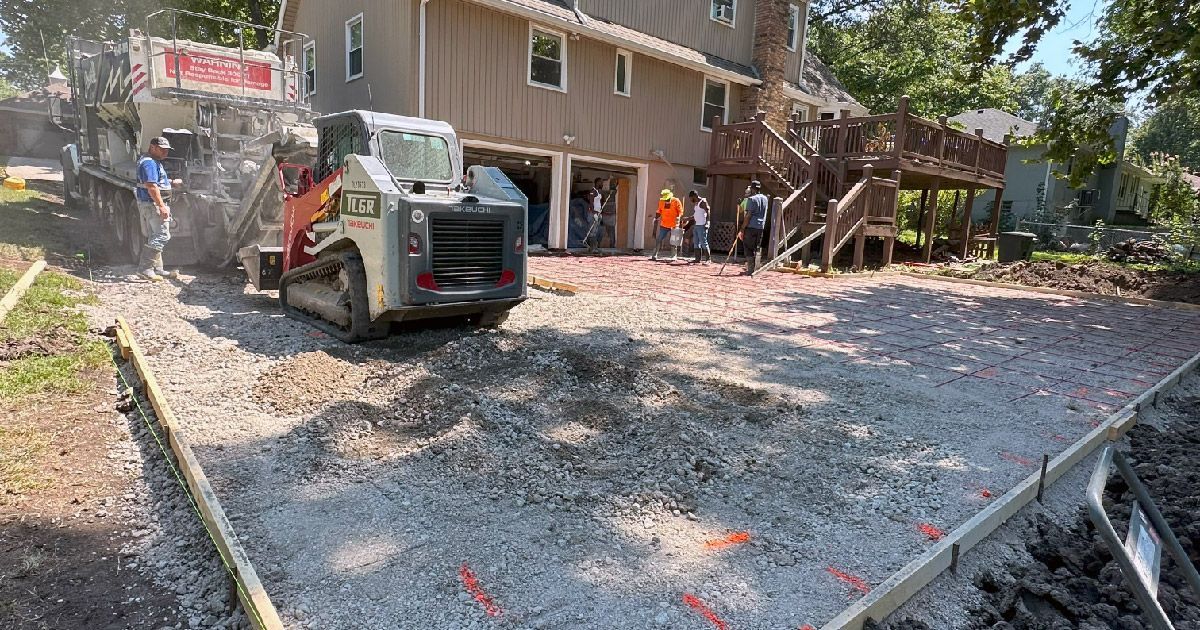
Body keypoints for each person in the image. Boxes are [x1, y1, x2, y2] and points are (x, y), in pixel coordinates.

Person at [134, 137, 181, 281]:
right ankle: (145, 269)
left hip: (149, 204)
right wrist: (161, 206)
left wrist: (171, 183)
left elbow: (156, 183)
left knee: (154, 235)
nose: (165, 152)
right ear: (152, 147)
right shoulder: (149, 163)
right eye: (162, 149)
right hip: (152, 204)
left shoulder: (152, 161)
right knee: (162, 235)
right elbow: (151, 186)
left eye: (167, 149)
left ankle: (158, 269)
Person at [737, 180, 769, 275]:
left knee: (748, 248)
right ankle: (756, 268)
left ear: (753, 189)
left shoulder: (752, 199)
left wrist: (742, 228)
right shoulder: (765, 199)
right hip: (760, 227)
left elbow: (748, 215)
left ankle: (751, 270)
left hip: (751, 227)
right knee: (757, 247)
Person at [651, 188, 683, 261]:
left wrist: (679, 217)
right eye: (665, 199)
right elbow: (659, 211)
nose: (666, 200)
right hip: (664, 224)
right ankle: (654, 254)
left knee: (673, 240)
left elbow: (680, 211)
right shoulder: (661, 201)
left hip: (674, 224)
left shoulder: (676, 201)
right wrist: (655, 218)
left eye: (667, 199)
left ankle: (673, 256)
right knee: (659, 239)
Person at [688, 190, 712, 264]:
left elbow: (708, 211)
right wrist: (687, 218)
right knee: (696, 242)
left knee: (703, 242)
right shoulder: (696, 203)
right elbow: (696, 215)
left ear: (694, 196)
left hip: (702, 225)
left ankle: (708, 259)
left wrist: (707, 222)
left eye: (691, 198)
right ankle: (697, 258)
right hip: (696, 225)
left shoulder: (703, 202)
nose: (690, 200)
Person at [585, 177, 606, 251]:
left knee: (595, 231)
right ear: (597, 183)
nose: (602, 183)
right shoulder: (592, 191)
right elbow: (591, 203)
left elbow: (600, 203)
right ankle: (592, 247)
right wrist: (594, 213)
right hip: (592, 214)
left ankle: (594, 247)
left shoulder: (599, 192)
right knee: (592, 231)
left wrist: (600, 212)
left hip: (598, 213)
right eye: (601, 182)